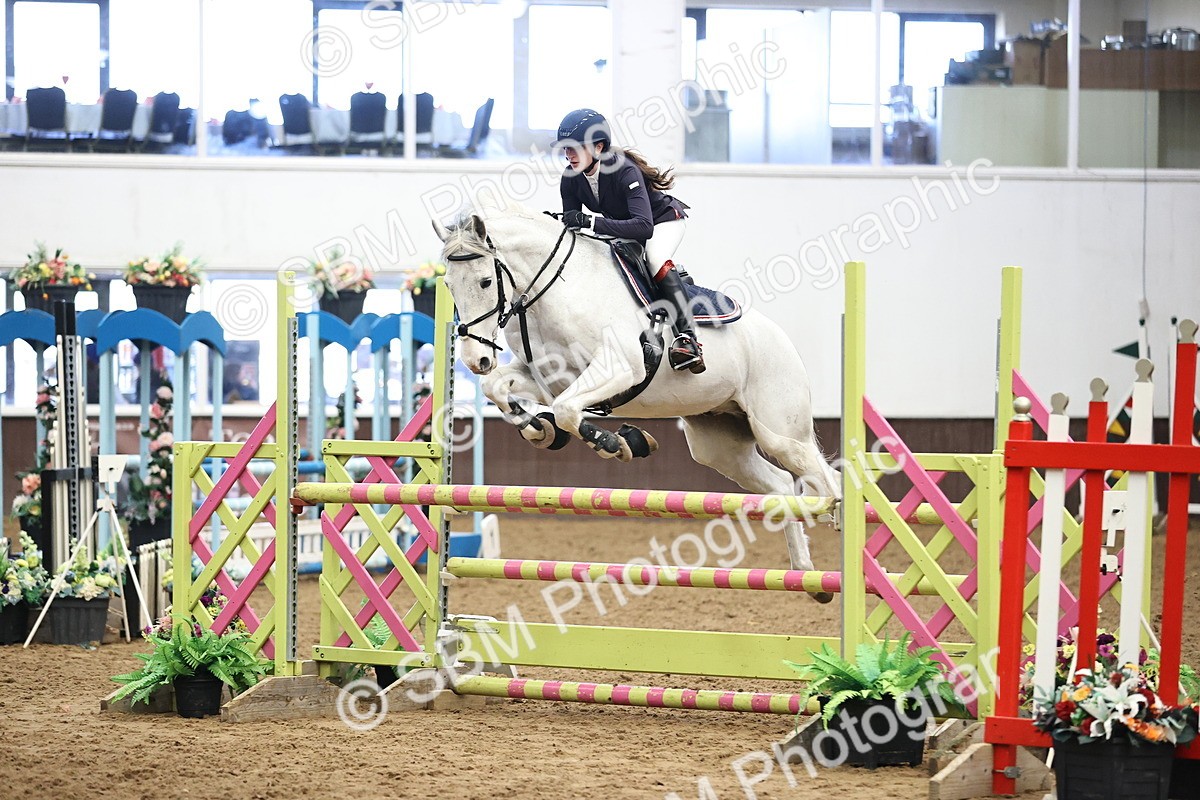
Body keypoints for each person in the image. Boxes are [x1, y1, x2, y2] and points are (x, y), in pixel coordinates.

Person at [556, 108, 704, 374]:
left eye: (575, 148)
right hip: (624, 226)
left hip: (661, 222)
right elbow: (572, 226)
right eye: (565, 149)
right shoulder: (570, 178)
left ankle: (688, 338)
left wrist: (590, 222)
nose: (568, 155)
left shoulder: (624, 170)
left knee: (655, 258)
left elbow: (644, 227)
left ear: (598, 147)